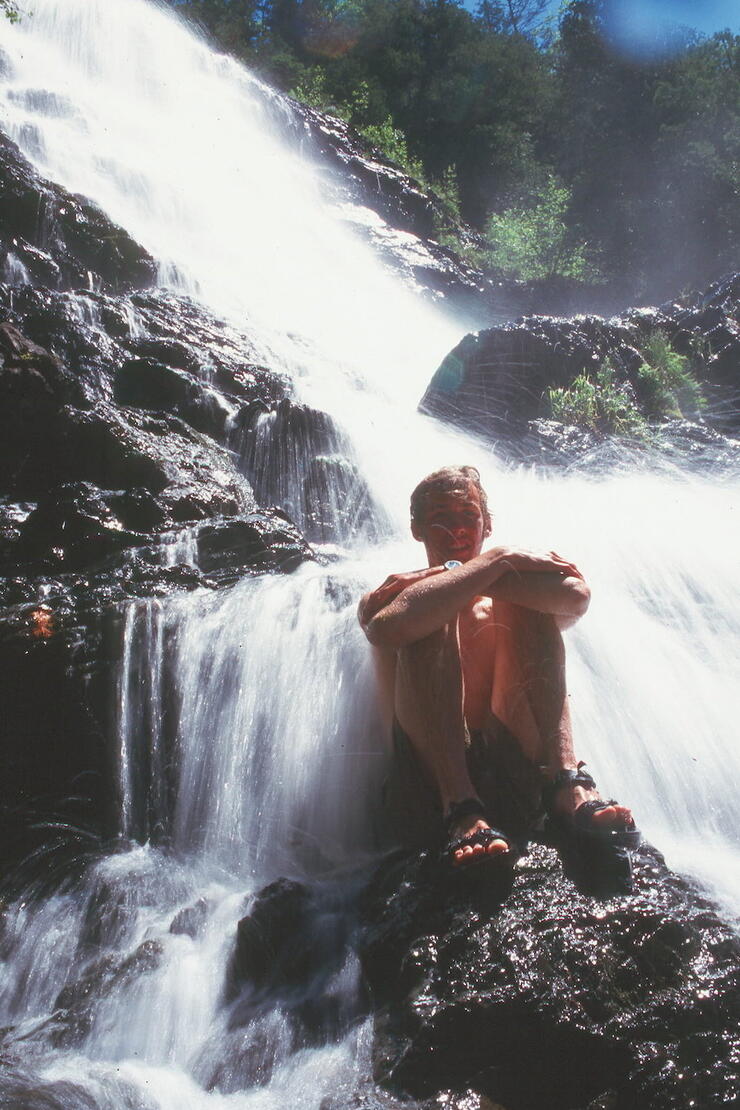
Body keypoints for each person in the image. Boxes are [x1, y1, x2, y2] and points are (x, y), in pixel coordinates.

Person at [358, 464, 637, 874]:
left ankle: (566, 782)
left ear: (488, 524)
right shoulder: (392, 593)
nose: (456, 530)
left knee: (528, 603)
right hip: (425, 790)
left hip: (513, 775)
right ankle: (461, 806)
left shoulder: (493, 581)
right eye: (440, 519)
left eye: (468, 516)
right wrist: (500, 560)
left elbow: (576, 596)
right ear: (416, 529)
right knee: (430, 611)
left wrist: (482, 571)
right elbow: (390, 627)